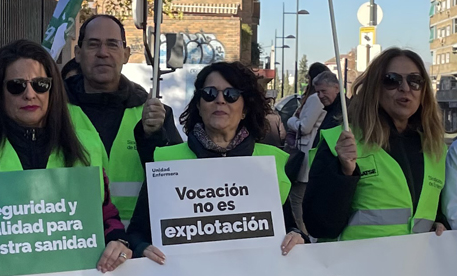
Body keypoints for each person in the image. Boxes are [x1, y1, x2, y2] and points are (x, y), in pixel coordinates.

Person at [0, 40, 132, 276]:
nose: (30, 94)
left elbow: (106, 215)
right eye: (16, 86)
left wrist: (118, 242)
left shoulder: (85, 148)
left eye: (40, 85)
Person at [127, 62, 306, 263]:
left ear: (245, 108)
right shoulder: (167, 161)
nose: (220, 100)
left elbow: (289, 227)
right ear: (198, 105)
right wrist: (142, 248)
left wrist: (295, 236)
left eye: (231, 95)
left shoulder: (268, 163)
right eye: (210, 93)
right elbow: (136, 234)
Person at [303, 48, 448, 241]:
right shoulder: (341, 141)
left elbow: (427, 210)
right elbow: (319, 226)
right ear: (374, 88)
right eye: (392, 80)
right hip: (356, 267)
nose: (405, 88)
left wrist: (438, 223)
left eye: (415, 81)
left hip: (413, 268)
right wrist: (344, 174)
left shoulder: (434, 149)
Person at [66, 15, 182, 225]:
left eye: (112, 44)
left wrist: (155, 136)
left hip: (139, 244)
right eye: (93, 45)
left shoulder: (154, 113)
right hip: (73, 238)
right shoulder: (54, 111)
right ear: (78, 53)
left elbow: (178, 183)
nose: (103, 53)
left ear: (126, 54)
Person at [285, 71, 330, 232]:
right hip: (311, 154)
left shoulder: (313, 100)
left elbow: (304, 127)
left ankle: (302, 233)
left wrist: (291, 120)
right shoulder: (322, 100)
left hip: (305, 154)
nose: (321, 94)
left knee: (296, 199)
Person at [312, 71, 344, 147]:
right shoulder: (331, 110)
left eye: (323, 91)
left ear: (337, 88)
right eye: (318, 92)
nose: (320, 96)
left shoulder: (343, 113)